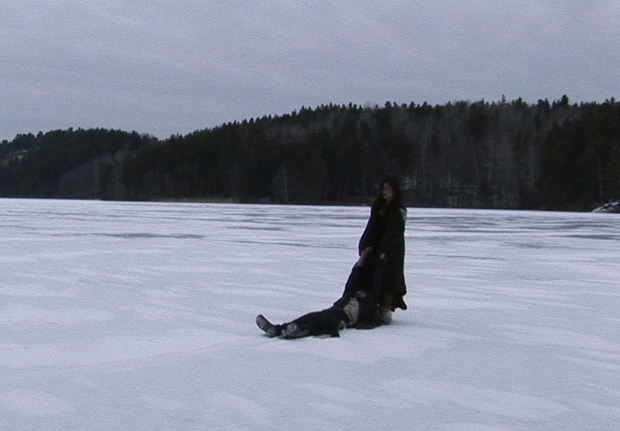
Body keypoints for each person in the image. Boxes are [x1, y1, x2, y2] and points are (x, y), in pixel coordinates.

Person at [256, 249, 377, 339]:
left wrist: (366, 297)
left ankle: (301, 331)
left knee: (325, 321)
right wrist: (361, 260)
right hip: (334, 310)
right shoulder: (350, 293)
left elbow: (371, 310)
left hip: (344, 317)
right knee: (311, 316)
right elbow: (354, 277)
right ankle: (278, 329)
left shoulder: (368, 303)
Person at [358, 175, 408, 325]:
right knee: (371, 276)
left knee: (390, 280)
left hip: (393, 249)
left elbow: (395, 232)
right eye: (383, 188)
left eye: (388, 189)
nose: (385, 192)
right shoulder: (378, 206)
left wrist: (386, 249)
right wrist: (365, 244)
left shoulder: (399, 209)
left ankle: (386, 310)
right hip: (377, 247)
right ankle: (371, 306)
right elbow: (371, 227)